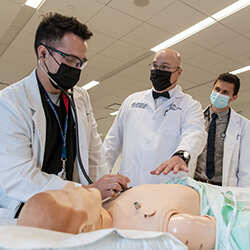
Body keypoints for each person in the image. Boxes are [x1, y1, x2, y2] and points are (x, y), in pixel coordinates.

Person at [0, 12, 130, 219]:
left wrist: (105, 193)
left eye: (81, 62)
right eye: (70, 59)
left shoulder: (80, 98)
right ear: (42, 54)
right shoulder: (9, 103)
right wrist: (87, 192)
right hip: (25, 208)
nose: (76, 69)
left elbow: (95, 154)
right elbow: (18, 177)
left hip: (72, 207)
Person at [103, 49, 207, 187]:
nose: (158, 71)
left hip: (166, 186)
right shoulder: (131, 101)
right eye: (155, 66)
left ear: (179, 72)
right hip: (129, 183)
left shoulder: (190, 105)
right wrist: (101, 175)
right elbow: (112, 142)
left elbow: (195, 134)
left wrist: (181, 156)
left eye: (164, 67)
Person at [17, 183, 216, 250]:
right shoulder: (169, 228)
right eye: (69, 196)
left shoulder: (105, 204)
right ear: (87, 229)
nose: (73, 187)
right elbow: (229, 229)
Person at [194, 73, 250, 187]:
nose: (219, 94)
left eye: (225, 92)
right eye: (217, 89)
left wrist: (242, 196)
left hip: (223, 187)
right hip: (196, 183)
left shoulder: (244, 126)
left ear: (234, 97)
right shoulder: (196, 119)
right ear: (212, 89)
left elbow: (246, 169)